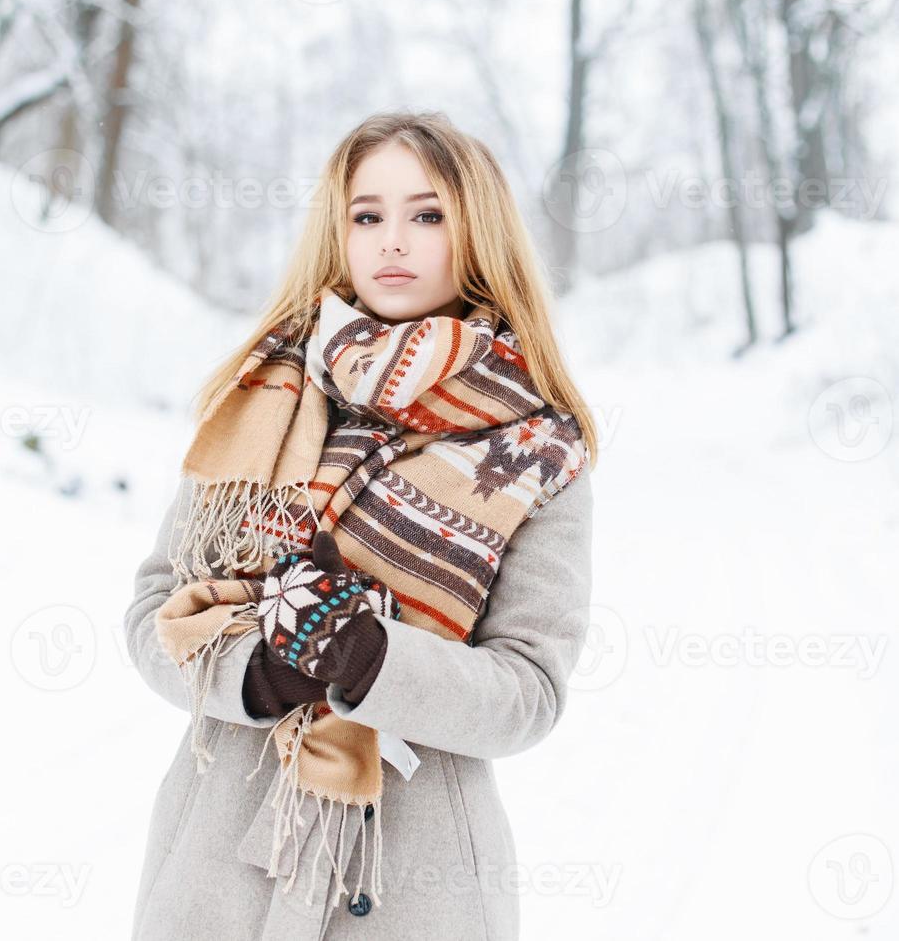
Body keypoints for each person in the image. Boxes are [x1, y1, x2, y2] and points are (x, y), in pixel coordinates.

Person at [125, 110, 598, 941]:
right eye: (366, 215)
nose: (393, 241)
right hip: (214, 873)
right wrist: (260, 676)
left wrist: (373, 661)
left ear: (475, 231)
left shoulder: (534, 448)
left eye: (427, 215)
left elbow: (529, 692)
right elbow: (155, 613)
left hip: (414, 887)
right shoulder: (263, 397)